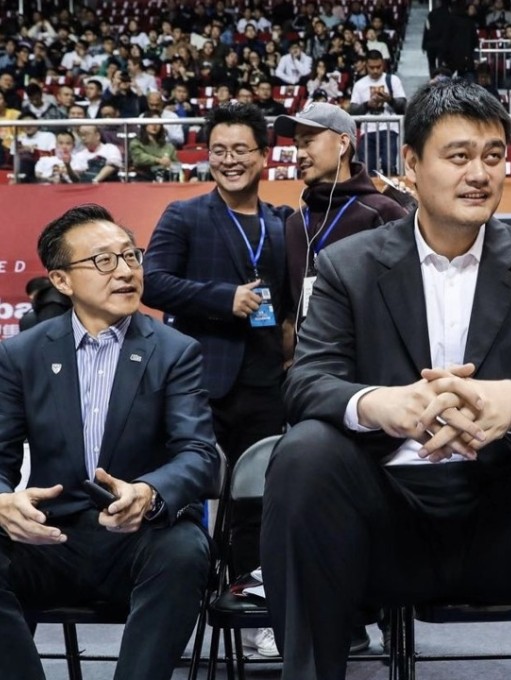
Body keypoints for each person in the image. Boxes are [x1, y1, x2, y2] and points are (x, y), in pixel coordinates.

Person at [260, 79, 511, 679]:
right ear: (411, 164)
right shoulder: (348, 265)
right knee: (304, 450)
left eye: (494, 156)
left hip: (510, 518)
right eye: (459, 155)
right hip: (384, 520)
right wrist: (379, 404)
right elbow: (307, 381)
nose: (480, 173)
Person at [0, 204, 220, 680]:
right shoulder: (21, 354)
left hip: (138, 538)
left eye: (130, 256)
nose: (125, 272)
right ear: (61, 281)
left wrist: (149, 492)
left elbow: (199, 455)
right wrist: (1, 500)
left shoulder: (174, 350)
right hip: (49, 537)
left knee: (185, 549)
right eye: (103, 261)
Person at [142, 103, 293, 659]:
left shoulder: (282, 223)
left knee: (258, 503)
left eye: (241, 150)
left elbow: (290, 297)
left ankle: (255, 618)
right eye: (220, 150)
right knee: (178, 502)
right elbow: (152, 283)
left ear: (263, 155)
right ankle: (173, 618)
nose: (230, 160)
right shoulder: (185, 215)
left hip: (264, 384)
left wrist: (289, 335)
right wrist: (221, 300)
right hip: (194, 382)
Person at [274, 102, 408, 327]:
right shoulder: (295, 223)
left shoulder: (383, 213)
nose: (299, 154)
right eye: (297, 145)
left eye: (308, 142)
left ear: (343, 143)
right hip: (307, 359)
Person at [349, 49, 406, 176]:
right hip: (367, 130)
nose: (375, 70)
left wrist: (388, 99)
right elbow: (352, 111)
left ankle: (392, 191)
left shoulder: (393, 80)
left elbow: (403, 105)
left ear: (383, 64)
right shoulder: (359, 84)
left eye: (378, 67)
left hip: (389, 128)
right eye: (372, 67)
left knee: (389, 164)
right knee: (368, 168)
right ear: (366, 65)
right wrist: (367, 104)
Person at [129, 112, 180, 181]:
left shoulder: (169, 146)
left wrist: (170, 164)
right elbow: (139, 158)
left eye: (158, 123)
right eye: (151, 122)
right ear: (144, 124)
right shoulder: (136, 143)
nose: (154, 125)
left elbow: (176, 163)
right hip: (143, 178)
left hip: (165, 178)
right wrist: (159, 160)